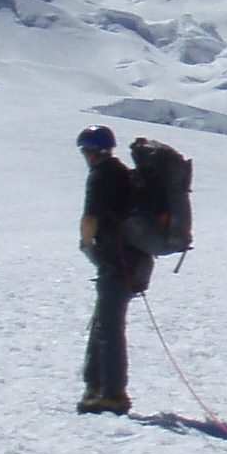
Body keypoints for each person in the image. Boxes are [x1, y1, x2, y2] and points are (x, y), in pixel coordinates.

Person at [75, 126, 145, 415]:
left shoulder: (101, 176)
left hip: (116, 262)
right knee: (105, 323)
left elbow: (90, 218)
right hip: (136, 261)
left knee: (109, 328)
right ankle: (96, 386)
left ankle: (113, 394)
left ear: (90, 150)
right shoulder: (123, 173)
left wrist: (86, 244)